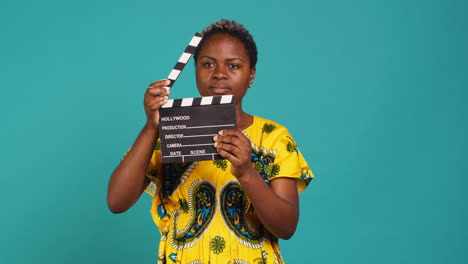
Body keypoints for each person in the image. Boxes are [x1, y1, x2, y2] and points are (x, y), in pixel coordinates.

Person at [107, 19, 314, 264]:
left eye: (234, 66)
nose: (219, 74)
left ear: (251, 75)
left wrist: (247, 171)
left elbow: (286, 226)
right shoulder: (170, 131)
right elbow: (117, 201)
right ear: (195, 69)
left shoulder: (273, 136)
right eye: (207, 64)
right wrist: (152, 126)